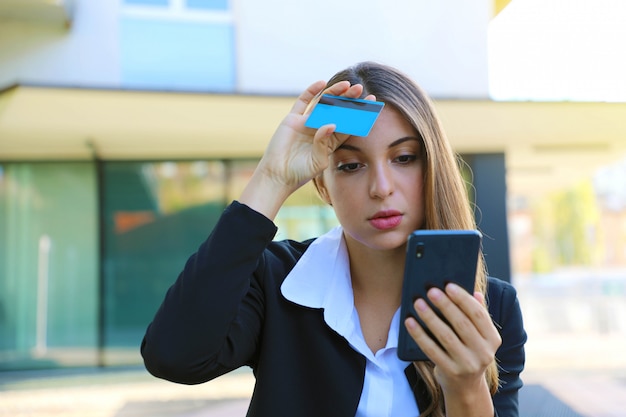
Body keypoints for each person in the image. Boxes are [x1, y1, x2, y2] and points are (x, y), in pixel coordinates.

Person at [140, 61, 527, 417]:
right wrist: (272, 179)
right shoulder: (277, 281)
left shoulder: (492, 308)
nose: (381, 187)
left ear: (433, 167)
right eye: (351, 165)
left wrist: (466, 387)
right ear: (323, 186)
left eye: (404, 158)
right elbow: (173, 357)